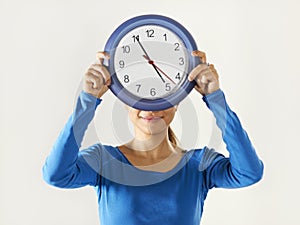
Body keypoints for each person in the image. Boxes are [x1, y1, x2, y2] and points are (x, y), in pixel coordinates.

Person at [42, 50, 264, 225]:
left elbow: (249, 172)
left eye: (161, 96)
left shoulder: (198, 165)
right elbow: (56, 174)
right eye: (140, 95)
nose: (151, 107)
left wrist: (214, 98)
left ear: (177, 101)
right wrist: (88, 100)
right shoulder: (104, 160)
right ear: (125, 101)